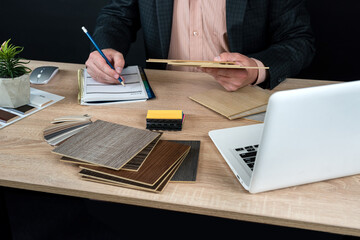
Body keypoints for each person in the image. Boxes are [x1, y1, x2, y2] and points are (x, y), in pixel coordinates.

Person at [85, 0, 315, 91]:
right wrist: (105, 49)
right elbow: (118, 15)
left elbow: (299, 40)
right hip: (165, 96)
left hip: (243, 100)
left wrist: (255, 69)